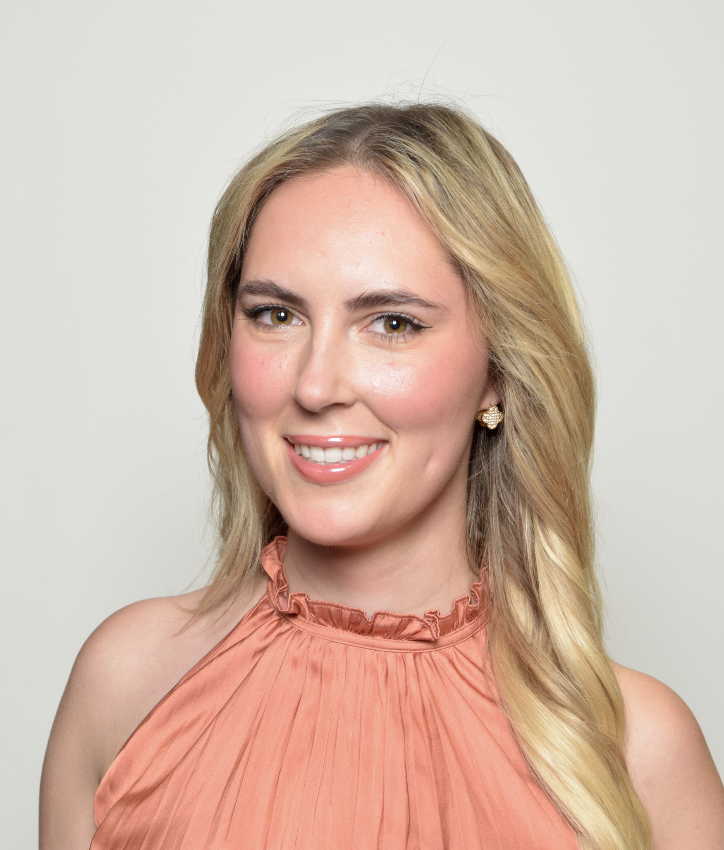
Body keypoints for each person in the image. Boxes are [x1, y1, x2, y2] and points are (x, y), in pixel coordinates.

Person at [39, 103, 724, 850]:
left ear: (499, 371)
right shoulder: (128, 683)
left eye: (393, 323)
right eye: (275, 315)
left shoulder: (639, 754)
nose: (315, 384)